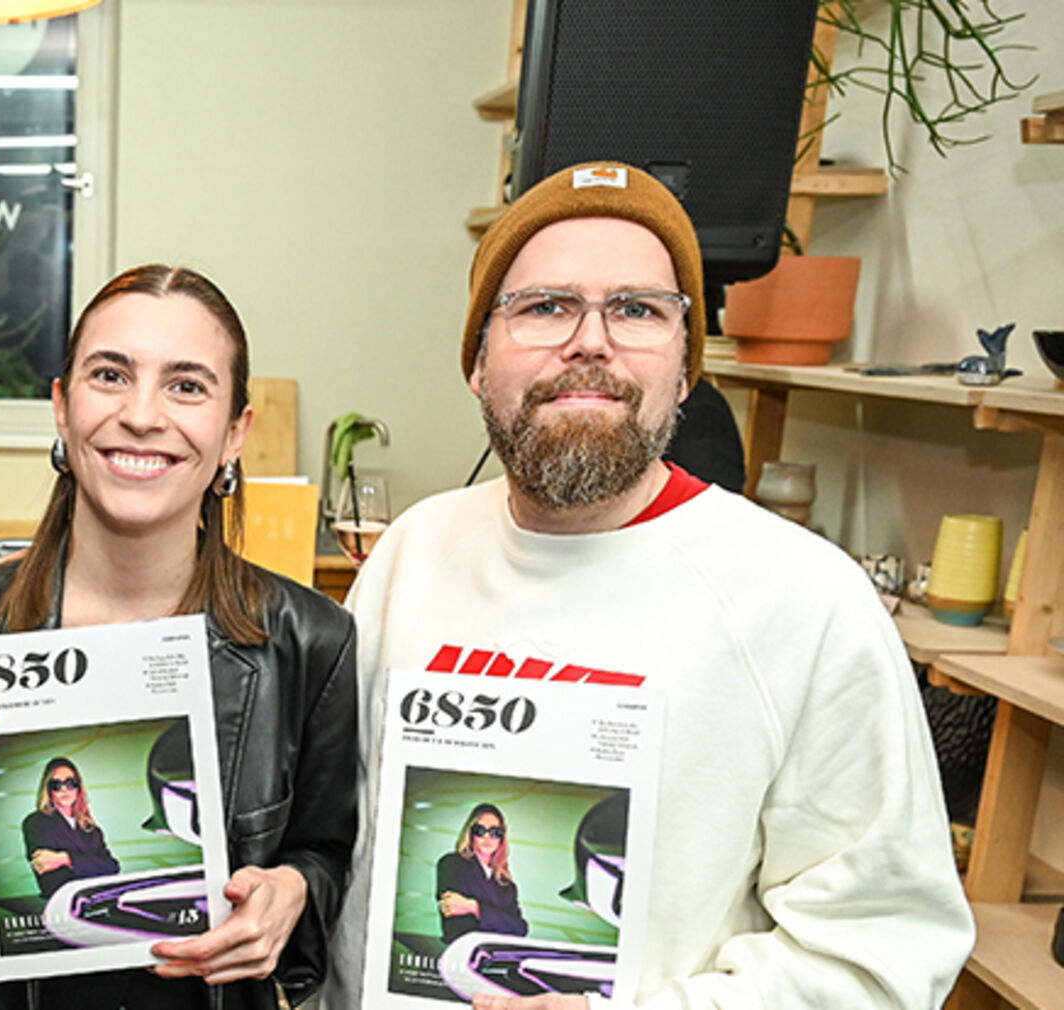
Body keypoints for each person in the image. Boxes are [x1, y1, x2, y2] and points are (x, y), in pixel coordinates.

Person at [328, 163, 973, 1010]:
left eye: (637, 310)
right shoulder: (415, 550)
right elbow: (343, 844)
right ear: (479, 362)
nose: (589, 341)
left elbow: (882, 952)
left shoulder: (805, 601)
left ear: (685, 369)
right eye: (545, 306)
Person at [0, 264, 358, 1009]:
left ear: (235, 434)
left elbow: (324, 854)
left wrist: (291, 890)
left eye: (186, 385)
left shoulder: (311, 643)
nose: (141, 414)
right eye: (110, 375)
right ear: (62, 407)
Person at [21, 757, 119, 898]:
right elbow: (51, 880)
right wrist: (91, 863)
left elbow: (112, 867)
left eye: (70, 783)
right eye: (57, 784)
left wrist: (65, 859)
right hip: (62, 902)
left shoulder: (91, 829)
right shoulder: (35, 823)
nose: (64, 789)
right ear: (48, 789)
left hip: (98, 899)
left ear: (79, 787)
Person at [436, 804, 526, 943]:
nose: (487, 837)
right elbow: (456, 924)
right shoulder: (451, 864)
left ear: (502, 838)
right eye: (480, 830)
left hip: (497, 953)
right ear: (471, 834)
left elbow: (520, 929)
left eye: (495, 832)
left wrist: (474, 907)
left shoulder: (507, 885)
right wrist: (501, 919)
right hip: (463, 950)